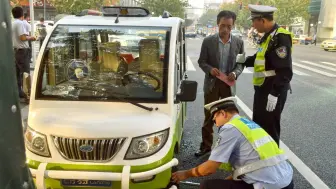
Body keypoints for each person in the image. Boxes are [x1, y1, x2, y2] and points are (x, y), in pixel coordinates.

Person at [172, 97, 294, 189]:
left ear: (223, 113)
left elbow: (209, 169)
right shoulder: (247, 124)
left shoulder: (230, 128)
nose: (216, 125)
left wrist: (186, 173)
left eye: (215, 120)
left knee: (207, 185)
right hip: (286, 181)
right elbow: (250, 162)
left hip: (271, 186)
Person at [196, 10, 245, 157]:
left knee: (230, 118)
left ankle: (229, 150)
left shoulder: (239, 42)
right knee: (209, 117)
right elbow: (201, 62)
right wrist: (210, 70)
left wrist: (235, 73)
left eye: (229, 26)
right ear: (218, 24)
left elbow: (241, 64)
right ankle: (206, 146)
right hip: (212, 85)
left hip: (228, 86)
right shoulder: (208, 41)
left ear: (233, 25)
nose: (225, 29)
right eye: (223, 25)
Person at [243, 4, 293, 145]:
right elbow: (261, 58)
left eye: (254, 21)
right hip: (262, 89)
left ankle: (273, 164)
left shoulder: (280, 37)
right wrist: (244, 61)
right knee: (259, 126)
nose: (253, 25)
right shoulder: (268, 36)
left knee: (270, 129)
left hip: (272, 90)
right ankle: (261, 161)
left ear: (263, 20)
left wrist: (275, 93)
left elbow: (285, 70)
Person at [11, 6, 36, 102]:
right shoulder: (20, 23)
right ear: (22, 14)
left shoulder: (13, 23)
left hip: (16, 50)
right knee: (26, 74)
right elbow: (22, 38)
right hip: (22, 51)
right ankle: (28, 96)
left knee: (17, 74)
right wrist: (31, 38)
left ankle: (19, 93)